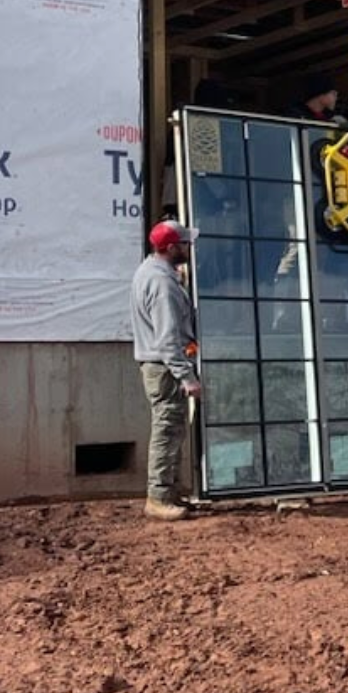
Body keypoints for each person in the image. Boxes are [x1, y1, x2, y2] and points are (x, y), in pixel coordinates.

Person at [131, 219, 203, 521]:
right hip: (165, 368)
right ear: (172, 247)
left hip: (158, 365)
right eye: (185, 243)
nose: (190, 247)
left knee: (170, 429)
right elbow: (167, 338)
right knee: (167, 429)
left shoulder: (152, 272)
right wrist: (186, 377)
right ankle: (158, 498)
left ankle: (168, 492)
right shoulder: (161, 284)